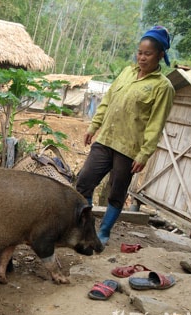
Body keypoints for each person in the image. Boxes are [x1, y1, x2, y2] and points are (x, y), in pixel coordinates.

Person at [76, 25, 175, 245]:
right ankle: (88, 227)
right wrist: (94, 126)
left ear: (160, 55)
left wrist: (144, 154)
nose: (142, 57)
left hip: (129, 148)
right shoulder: (126, 72)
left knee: (116, 192)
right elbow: (108, 100)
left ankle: (104, 232)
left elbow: (156, 124)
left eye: (148, 54)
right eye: (140, 52)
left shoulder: (163, 87)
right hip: (106, 139)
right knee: (84, 182)